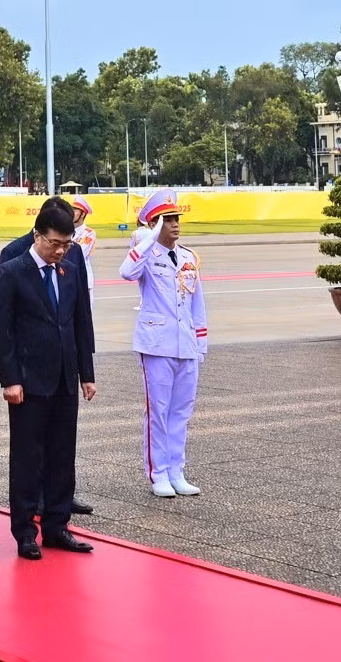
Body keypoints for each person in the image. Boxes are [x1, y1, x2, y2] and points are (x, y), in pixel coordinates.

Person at [0, 197, 96, 559]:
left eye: (67, 244)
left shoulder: (68, 267)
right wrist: (11, 379)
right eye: (54, 243)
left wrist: (87, 372)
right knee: (27, 457)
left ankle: (57, 525)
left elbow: (81, 318)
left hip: (65, 377)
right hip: (29, 380)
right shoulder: (13, 270)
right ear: (38, 236)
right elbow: (3, 331)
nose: (60, 251)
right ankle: (24, 531)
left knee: (61, 455)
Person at [122, 188, 206, 498]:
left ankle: (177, 470)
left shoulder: (187, 257)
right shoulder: (146, 255)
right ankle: (158, 473)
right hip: (156, 344)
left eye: (175, 218)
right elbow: (126, 272)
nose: (175, 224)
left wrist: (202, 342)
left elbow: (198, 302)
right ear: (155, 224)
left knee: (182, 411)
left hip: (185, 344)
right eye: (167, 219)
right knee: (157, 412)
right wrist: (148, 238)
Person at [68, 198, 98, 304]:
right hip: (67, 279)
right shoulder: (66, 231)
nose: (72, 213)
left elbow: (79, 253)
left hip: (83, 279)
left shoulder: (89, 233)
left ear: (82, 214)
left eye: (75, 210)